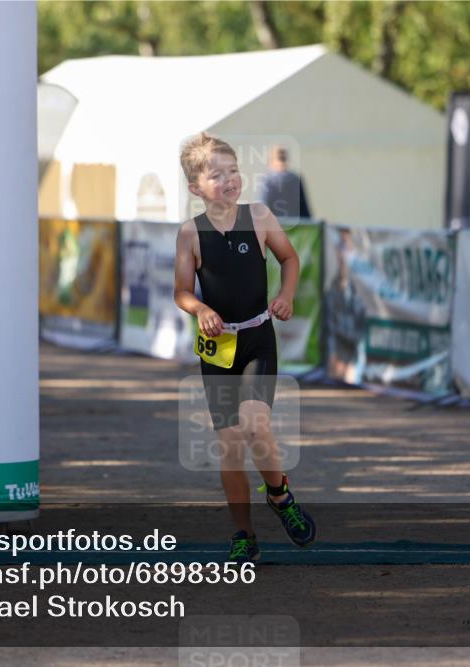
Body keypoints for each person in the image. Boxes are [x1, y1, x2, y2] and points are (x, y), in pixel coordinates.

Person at [174, 132, 316, 563]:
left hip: (256, 339)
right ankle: (243, 534)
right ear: (197, 188)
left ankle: (280, 495)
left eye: (233, 170)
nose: (230, 180)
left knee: (256, 427)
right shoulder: (190, 234)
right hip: (218, 349)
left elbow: (290, 258)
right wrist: (199, 309)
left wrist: (287, 296)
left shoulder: (259, 216)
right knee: (231, 445)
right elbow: (181, 291)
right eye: (217, 175)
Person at [258, 145, 311, 219]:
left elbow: (262, 210)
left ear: (270, 161)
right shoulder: (295, 178)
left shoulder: (266, 180)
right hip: (296, 225)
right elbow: (305, 210)